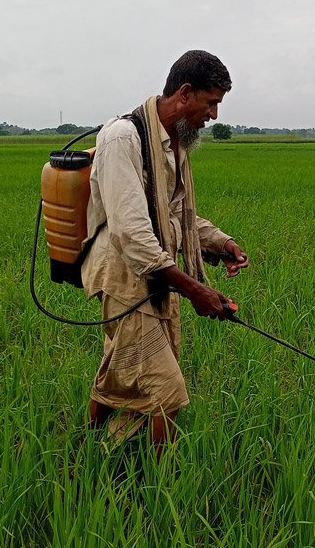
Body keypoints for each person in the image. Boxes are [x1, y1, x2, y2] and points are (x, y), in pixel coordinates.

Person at [79, 50, 249, 451]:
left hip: (154, 273)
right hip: (125, 276)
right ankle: (160, 489)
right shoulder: (123, 137)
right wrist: (196, 290)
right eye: (211, 103)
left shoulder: (174, 144)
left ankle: (86, 446)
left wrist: (220, 243)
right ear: (185, 93)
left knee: (119, 366)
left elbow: (174, 211)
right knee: (166, 391)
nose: (214, 115)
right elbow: (133, 234)